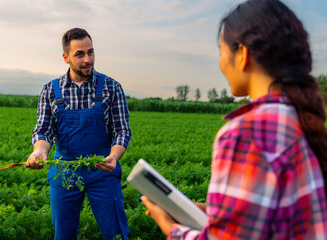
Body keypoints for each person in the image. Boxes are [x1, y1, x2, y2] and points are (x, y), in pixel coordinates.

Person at [142, 0, 327, 239]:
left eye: (221, 51)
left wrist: (170, 226)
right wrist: (214, 215)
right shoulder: (303, 118)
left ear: (242, 54)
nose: (220, 62)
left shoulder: (245, 133)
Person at [25, 28, 131, 240]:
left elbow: (121, 130)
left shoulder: (112, 87)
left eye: (90, 52)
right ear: (66, 57)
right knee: (63, 235)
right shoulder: (51, 90)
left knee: (116, 233)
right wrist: (39, 152)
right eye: (79, 54)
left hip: (103, 168)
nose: (87, 60)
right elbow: (43, 130)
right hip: (65, 170)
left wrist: (114, 157)